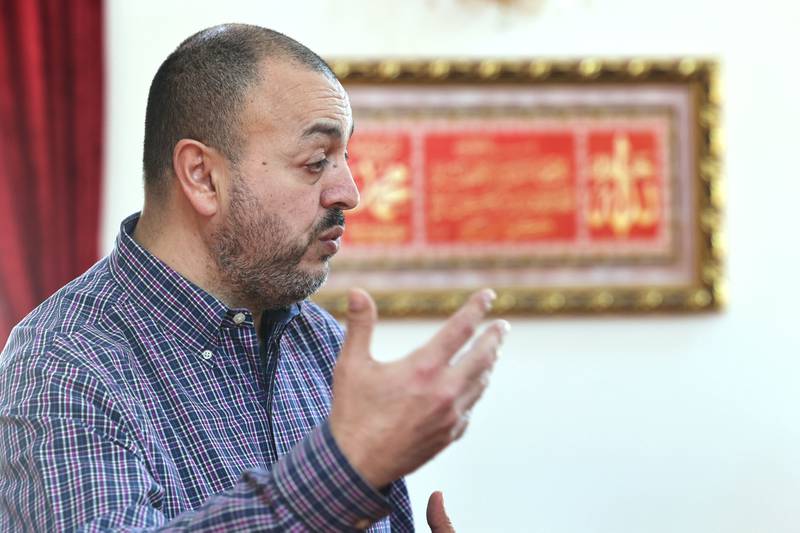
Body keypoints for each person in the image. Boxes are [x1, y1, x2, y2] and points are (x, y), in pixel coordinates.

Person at [0, 24, 508, 532]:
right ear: (202, 176)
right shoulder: (62, 366)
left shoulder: (321, 341)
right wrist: (340, 478)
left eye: (345, 158)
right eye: (316, 162)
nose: (350, 193)